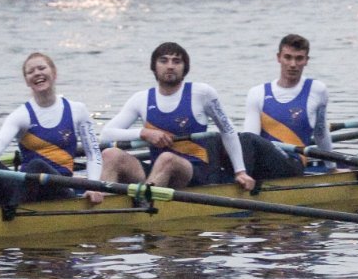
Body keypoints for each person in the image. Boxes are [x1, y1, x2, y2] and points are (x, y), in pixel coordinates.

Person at [100, 42, 255, 191]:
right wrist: (144, 133)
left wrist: (240, 172)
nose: (170, 66)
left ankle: (145, 203)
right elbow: (106, 135)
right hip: (158, 171)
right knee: (110, 154)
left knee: (167, 159)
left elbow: (227, 131)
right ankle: (103, 204)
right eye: (164, 61)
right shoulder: (141, 99)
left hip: (195, 173)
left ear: (185, 68)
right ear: (154, 67)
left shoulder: (202, 93)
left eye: (177, 62)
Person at [0, 52, 105, 206]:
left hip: (61, 189)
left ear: (54, 73)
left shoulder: (77, 110)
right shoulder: (21, 115)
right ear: (27, 81)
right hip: (26, 187)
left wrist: (94, 186)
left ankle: (12, 215)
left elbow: (93, 154)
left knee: (36, 165)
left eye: (41, 68)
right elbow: (0, 141)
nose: (37, 73)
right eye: (31, 72)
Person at [241, 33, 334, 179]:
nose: (293, 64)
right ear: (279, 58)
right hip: (264, 161)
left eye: (299, 58)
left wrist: (331, 168)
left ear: (306, 61)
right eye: (288, 57)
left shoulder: (317, 90)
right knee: (222, 140)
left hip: (294, 163)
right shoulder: (257, 93)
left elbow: (321, 133)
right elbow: (250, 138)